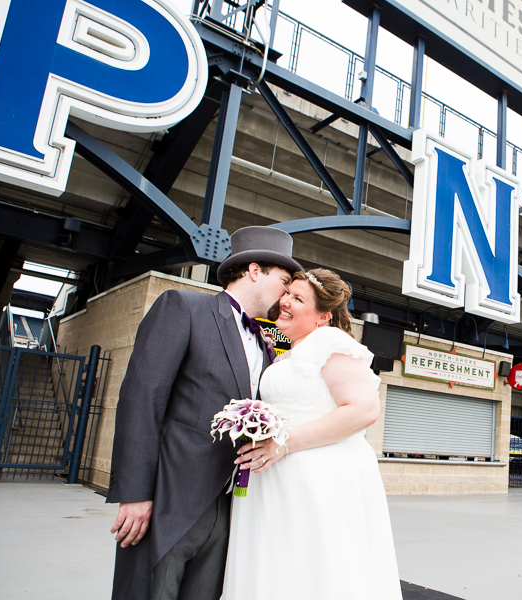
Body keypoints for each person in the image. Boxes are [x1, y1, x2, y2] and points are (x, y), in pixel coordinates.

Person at [106, 226, 302, 600]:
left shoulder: (266, 345)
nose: (287, 294)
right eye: (284, 281)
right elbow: (142, 397)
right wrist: (134, 493)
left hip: (230, 504)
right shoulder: (183, 307)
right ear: (255, 271)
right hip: (169, 497)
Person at [221, 268, 403, 600]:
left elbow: (364, 410)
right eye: (287, 294)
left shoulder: (329, 342)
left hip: (316, 480)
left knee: (311, 567)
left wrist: (283, 442)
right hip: (274, 481)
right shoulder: (287, 354)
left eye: (298, 298)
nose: (285, 302)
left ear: (323, 317)